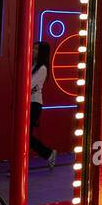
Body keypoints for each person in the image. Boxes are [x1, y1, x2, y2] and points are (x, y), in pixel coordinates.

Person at [31, 41, 57, 169]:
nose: (33, 51)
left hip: (34, 104)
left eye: (36, 49)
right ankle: (48, 153)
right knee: (26, 137)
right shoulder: (33, 66)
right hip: (29, 103)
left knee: (26, 137)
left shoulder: (42, 69)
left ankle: (49, 153)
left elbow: (30, 84)